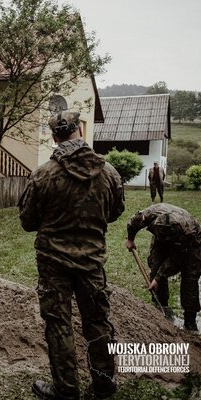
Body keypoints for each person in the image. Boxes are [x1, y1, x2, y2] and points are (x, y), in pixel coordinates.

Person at [18, 111, 125, 400]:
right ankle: (103, 384)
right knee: (97, 321)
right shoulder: (110, 173)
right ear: (79, 131)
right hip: (92, 263)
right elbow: (115, 213)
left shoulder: (43, 175)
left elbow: (27, 222)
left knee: (59, 324)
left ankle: (66, 390)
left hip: (53, 264)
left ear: (54, 137)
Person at [125, 203, 201, 331]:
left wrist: (158, 278)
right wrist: (130, 239)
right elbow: (133, 222)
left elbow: (175, 260)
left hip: (192, 244)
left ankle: (190, 321)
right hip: (165, 234)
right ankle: (162, 309)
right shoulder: (148, 215)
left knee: (190, 279)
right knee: (155, 267)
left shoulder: (186, 232)